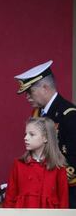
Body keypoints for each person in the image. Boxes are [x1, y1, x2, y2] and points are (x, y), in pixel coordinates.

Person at [14, 60, 76, 208]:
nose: (27, 97)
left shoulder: (69, 115)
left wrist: (51, 179)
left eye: (30, 92)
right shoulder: (38, 114)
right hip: (42, 192)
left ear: (45, 87)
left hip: (67, 194)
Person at [3, 117, 68, 208]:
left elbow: (63, 202)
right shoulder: (18, 164)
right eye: (25, 134)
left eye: (32, 134)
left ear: (45, 138)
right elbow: (9, 199)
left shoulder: (58, 166)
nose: (26, 138)